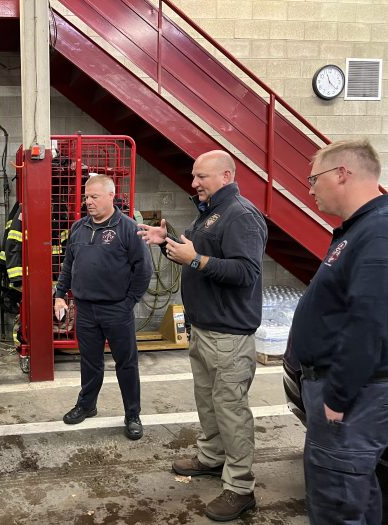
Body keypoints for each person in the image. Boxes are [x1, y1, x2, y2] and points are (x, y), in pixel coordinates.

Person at [137, 150, 268, 521]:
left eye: (201, 177)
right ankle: (212, 459)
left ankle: (240, 487)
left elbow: (245, 273)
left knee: (231, 410)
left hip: (229, 335)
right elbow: (193, 252)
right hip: (205, 329)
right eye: (194, 176)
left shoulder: (241, 216)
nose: (194, 183)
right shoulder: (211, 213)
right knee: (209, 403)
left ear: (225, 176)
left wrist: (195, 259)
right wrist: (167, 240)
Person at [286, 139, 388, 524]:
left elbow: (370, 320)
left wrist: (338, 396)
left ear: (342, 174)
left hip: (352, 397)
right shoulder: (359, 229)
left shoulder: (377, 231)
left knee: (337, 503)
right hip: (340, 389)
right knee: (358, 497)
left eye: (314, 179)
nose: (310, 189)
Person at [54, 174, 153, 441]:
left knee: (126, 363)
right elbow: (68, 265)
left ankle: (132, 414)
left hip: (116, 310)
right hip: (85, 309)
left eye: (94, 197)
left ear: (111, 196)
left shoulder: (128, 228)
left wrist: (128, 302)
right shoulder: (78, 228)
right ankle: (87, 404)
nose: (88, 202)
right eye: (86, 197)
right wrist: (60, 294)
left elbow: (144, 270)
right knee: (89, 362)